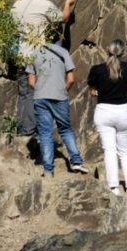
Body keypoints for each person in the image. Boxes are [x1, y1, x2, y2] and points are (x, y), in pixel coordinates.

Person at [11, 0, 76, 136]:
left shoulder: (17, 4)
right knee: (38, 92)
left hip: (18, 53)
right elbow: (64, 18)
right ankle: (36, 129)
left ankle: (25, 127)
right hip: (36, 55)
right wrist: (68, 3)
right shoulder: (45, 5)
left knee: (24, 92)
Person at [26, 43, 89, 177]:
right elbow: (71, 79)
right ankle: (76, 161)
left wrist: (41, 89)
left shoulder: (34, 53)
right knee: (65, 129)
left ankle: (48, 170)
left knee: (45, 133)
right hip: (59, 97)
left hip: (40, 97)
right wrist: (62, 90)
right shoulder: (63, 52)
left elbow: (31, 82)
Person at [87, 40, 127, 196]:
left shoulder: (97, 69)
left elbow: (93, 85)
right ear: (122, 52)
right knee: (125, 151)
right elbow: (124, 81)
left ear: (107, 50)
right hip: (123, 111)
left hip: (104, 111)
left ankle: (114, 187)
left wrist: (94, 88)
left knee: (109, 150)